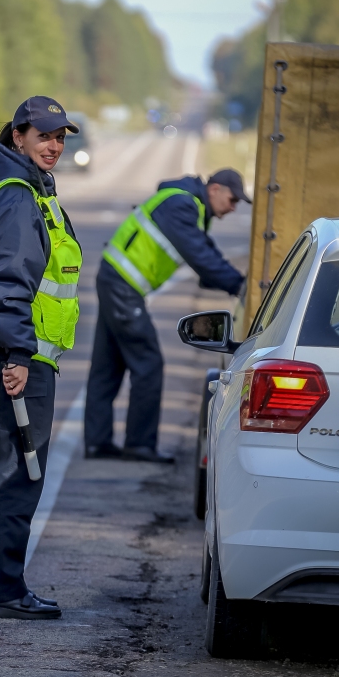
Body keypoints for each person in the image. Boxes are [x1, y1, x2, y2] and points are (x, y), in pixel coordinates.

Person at [0, 96, 82, 621]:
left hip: (25, 353)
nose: (54, 145)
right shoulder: (17, 196)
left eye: (61, 137)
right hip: (21, 356)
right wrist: (17, 354)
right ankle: (5, 591)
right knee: (17, 472)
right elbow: (7, 284)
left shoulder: (26, 189)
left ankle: (2, 587)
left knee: (10, 469)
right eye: (44, 136)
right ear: (19, 137)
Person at [84, 168, 249, 463]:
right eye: (233, 199)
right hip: (122, 285)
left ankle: (98, 442)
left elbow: (205, 252)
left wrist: (230, 279)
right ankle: (139, 445)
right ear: (215, 189)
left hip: (116, 280)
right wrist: (239, 286)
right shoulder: (181, 204)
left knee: (107, 366)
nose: (234, 207)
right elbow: (200, 255)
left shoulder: (189, 207)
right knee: (148, 364)